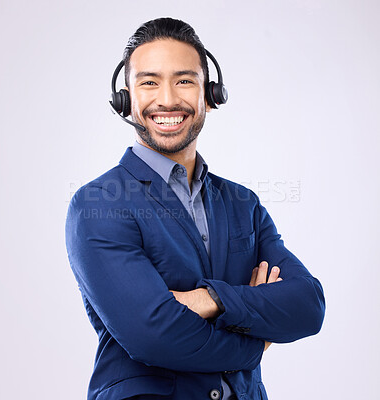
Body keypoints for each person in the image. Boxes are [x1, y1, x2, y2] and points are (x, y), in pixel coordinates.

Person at [65, 17, 325, 400]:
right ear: (125, 99)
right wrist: (256, 341)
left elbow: (308, 305)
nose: (167, 99)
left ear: (210, 94)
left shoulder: (244, 205)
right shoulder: (96, 204)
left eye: (184, 80)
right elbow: (151, 335)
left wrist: (209, 300)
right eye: (149, 82)